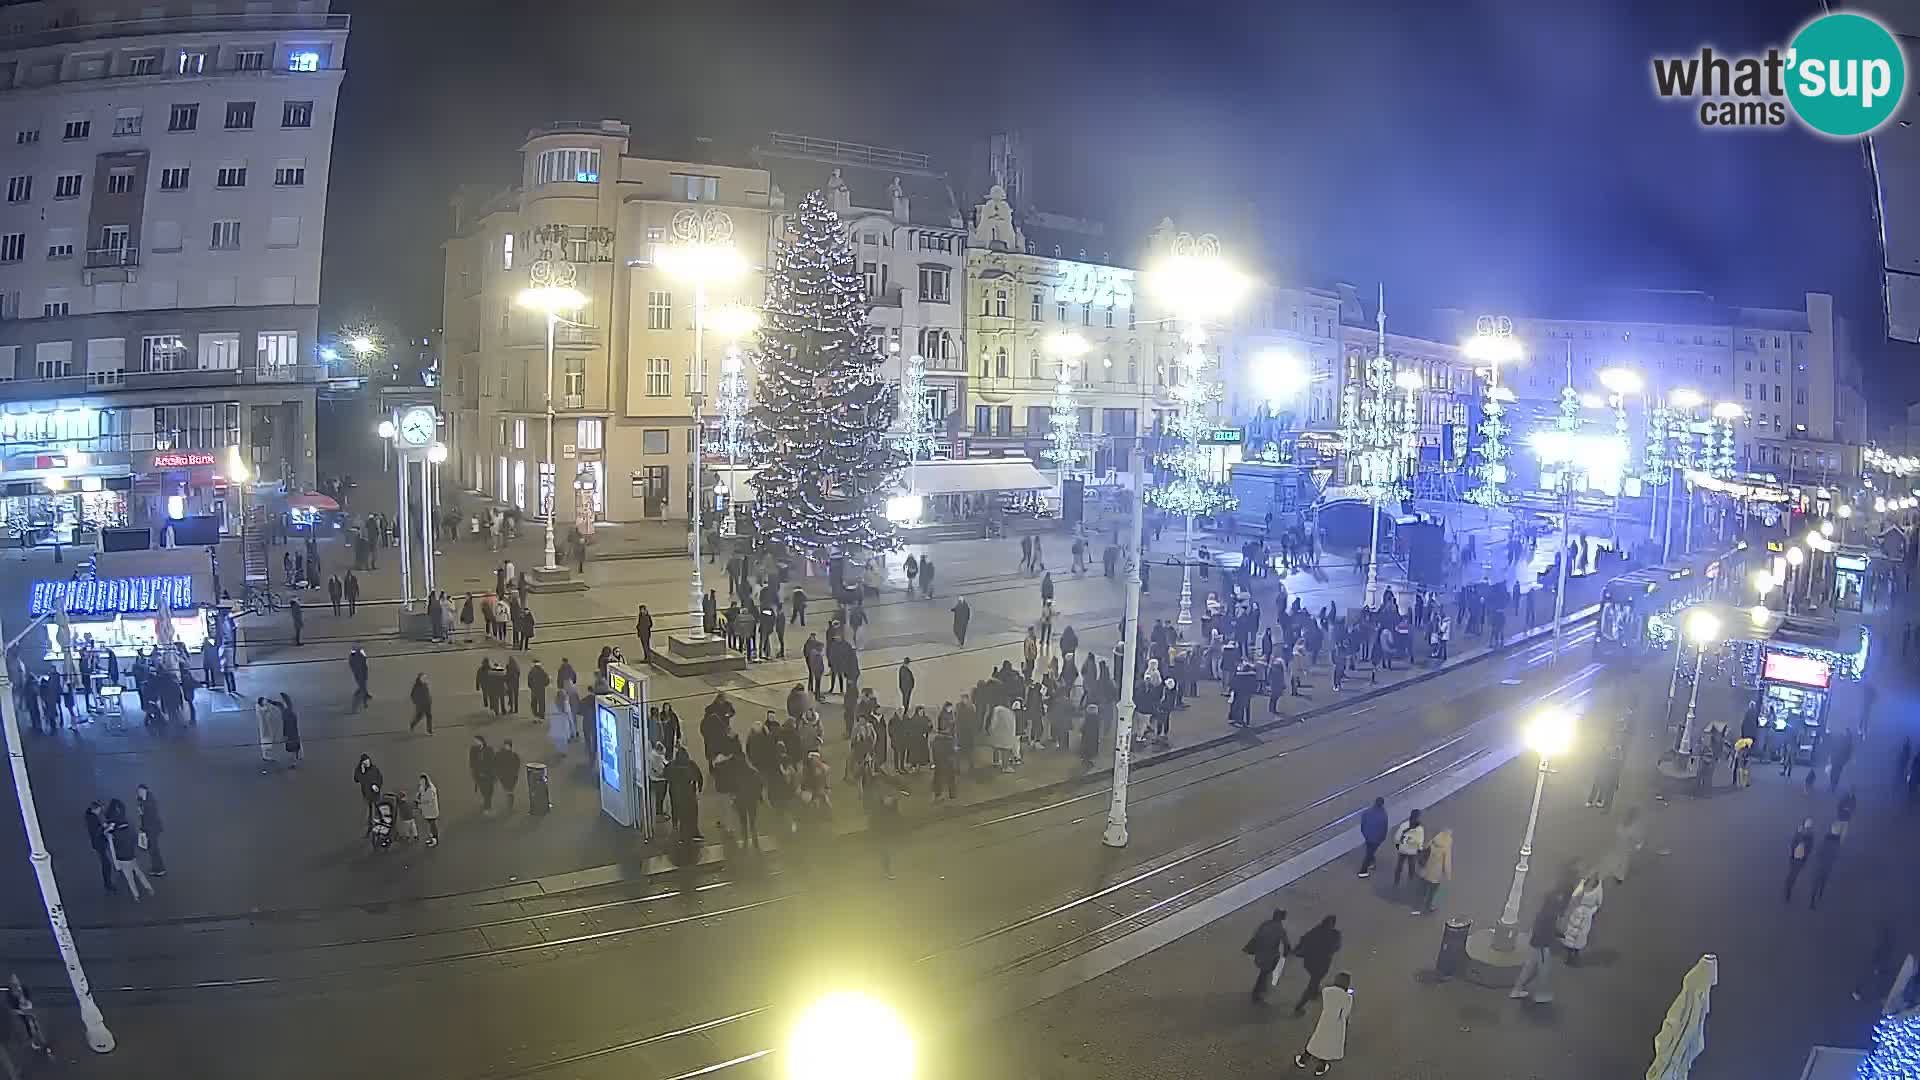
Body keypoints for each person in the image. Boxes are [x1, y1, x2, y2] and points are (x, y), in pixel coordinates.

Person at [1509, 885, 1572, 1003]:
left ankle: (1517, 989)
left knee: (1528, 967)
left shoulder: (1544, 912)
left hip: (1535, 943)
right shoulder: (1551, 915)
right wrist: (1558, 936)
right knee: (1543, 970)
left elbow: (1540, 928)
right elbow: (1548, 931)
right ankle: (1540, 995)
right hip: (1542, 947)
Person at [1293, 972, 1352, 1075]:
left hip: (1325, 1020)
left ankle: (1303, 1060)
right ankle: (1321, 1067)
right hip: (1337, 1024)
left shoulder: (1327, 991)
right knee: (1329, 1046)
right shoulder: (1348, 998)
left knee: (1316, 1040)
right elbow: (1345, 1014)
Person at [1290, 915, 1343, 1016]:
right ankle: (1300, 1005)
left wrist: (1297, 950)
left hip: (1310, 962)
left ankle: (1313, 992)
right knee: (1314, 982)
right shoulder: (1335, 934)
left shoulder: (1316, 931)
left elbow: (1304, 939)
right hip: (1322, 964)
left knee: (1315, 980)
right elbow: (1336, 947)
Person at [103, 799, 154, 900]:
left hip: (122, 859)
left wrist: (107, 830)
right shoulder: (129, 831)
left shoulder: (115, 834)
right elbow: (135, 840)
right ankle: (149, 888)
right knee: (140, 873)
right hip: (131, 857)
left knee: (130, 879)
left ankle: (136, 896)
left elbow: (112, 847)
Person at [1243, 908, 1291, 1003]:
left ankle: (1261, 989)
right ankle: (1256, 993)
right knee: (1263, 975)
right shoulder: (1280, 929)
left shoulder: (1265, 924)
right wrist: (1286, 953)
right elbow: (1286, 944)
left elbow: (1256, 936)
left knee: (1264, 973)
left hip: (1261, 953)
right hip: (1269, 957)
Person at [1560, 872, 1604, 963]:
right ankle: (1570, 954)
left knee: (1581, 935)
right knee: (1571, 934)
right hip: (1577, 913)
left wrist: (1591, 912)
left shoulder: (1598, 889)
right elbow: (1574, 897)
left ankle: (1575, 953)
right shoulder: (1582, 884)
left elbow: (1598, 903)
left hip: (1585, 916)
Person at [1414, 827, 1452, 914]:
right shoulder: (1446, 846)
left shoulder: (1433, 841)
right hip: (1436, 874)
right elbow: (1447, 862)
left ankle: (1419, 905)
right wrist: (1448, 874)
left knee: (1423, 888)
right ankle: (1428, 906)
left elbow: (1424, 851)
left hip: (1425, 871)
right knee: (1432, 891)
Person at [1809, 820, 1844, 910]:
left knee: (1815, 883)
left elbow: (1817, 852)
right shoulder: (1837, 843)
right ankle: (1820, 894)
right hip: (1828, 866)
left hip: (1820, 865)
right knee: (1823, 881)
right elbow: (1836, 856)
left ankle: (1812, 901)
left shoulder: (1825, 840)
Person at [135, 783, 166, 877]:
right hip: (149, 828)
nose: (138, 792)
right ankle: (156, 868)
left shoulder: (150, 800)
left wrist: (142, 811)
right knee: (152, 849)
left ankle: (160, 869)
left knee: (153, 849)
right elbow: (143, 817)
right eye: (138, 791)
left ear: (144, 790)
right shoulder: (143, 800)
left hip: (153, 829)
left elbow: (150, 815)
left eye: (140, 791)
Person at [84, 800, 115, 894]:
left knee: (106, 861)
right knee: (106, 863)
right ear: (95, 809)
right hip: (99, 844)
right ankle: (108, 884)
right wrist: (108, 828)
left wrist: (104, 826)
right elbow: (98, 832)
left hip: (98, 843)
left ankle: (108, 883)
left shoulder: (90, 816)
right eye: (99, 810)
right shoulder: (92, 820)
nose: (100, 812)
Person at [1392, 808, 1425, 891]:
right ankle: (1410, 885)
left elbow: (1396, 837)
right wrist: (1420, 850)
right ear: (1418, 817)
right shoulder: (1420, 829)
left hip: (1402, 849)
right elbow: (1420, 841)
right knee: (1411, 868)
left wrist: (1398, 846)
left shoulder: (1404, 825)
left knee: (1399, 866)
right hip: (1412, 851)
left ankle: (1396, 883)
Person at [1357, 796, 1388, 878]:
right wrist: (1382, 838)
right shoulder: (1383, 815)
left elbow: (1363, 824)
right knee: (1369, 854)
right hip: (1376, 839)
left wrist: (1364, 833)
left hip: (1367, 836)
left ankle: (1371, 862)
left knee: (1369, 850)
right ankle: (1363, 871)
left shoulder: (1367, 811)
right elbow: (1384, 828)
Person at [495, 738, 523, 811]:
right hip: (504, 775)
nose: (507, 747)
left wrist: (515, 774)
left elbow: (517, 766)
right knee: (507, 789)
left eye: (508, 746)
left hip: (511, 776)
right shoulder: (501, 754)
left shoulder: (514, 755)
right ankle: (509, 802)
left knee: (509, 790)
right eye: (506, 745)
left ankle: (510, 804)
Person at [471, 735, 496, 811]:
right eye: (475, 741)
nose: (476, 742)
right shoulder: (473, 750)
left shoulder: (489, 749)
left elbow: (492, 762)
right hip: (479, 774)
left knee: (488, 791)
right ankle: (486, 802)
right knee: (483, 789)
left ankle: (487, 806)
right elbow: (472, 761)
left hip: (488, 773)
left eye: (477, 741)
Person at [416, 774, 441, 846]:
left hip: (431, 811)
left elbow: (428, 799)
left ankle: (435, 840)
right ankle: (432, 838)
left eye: (423, 780)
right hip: (426, 811)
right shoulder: (422, 787)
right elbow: (420, 793)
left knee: (433, 825)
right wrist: (418, 795)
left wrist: (419, 801)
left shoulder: (431, 789)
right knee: (430, 825)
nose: (421, 782)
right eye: (421, 780)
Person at [348, 645, 372, 712]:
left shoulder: (358, 653)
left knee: (363, 685)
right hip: (359, 672)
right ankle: (364, 703)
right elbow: (351, 663)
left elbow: (365, 662)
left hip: (361, 672)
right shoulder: (354, 655)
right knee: (363, 686)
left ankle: (363, 693)